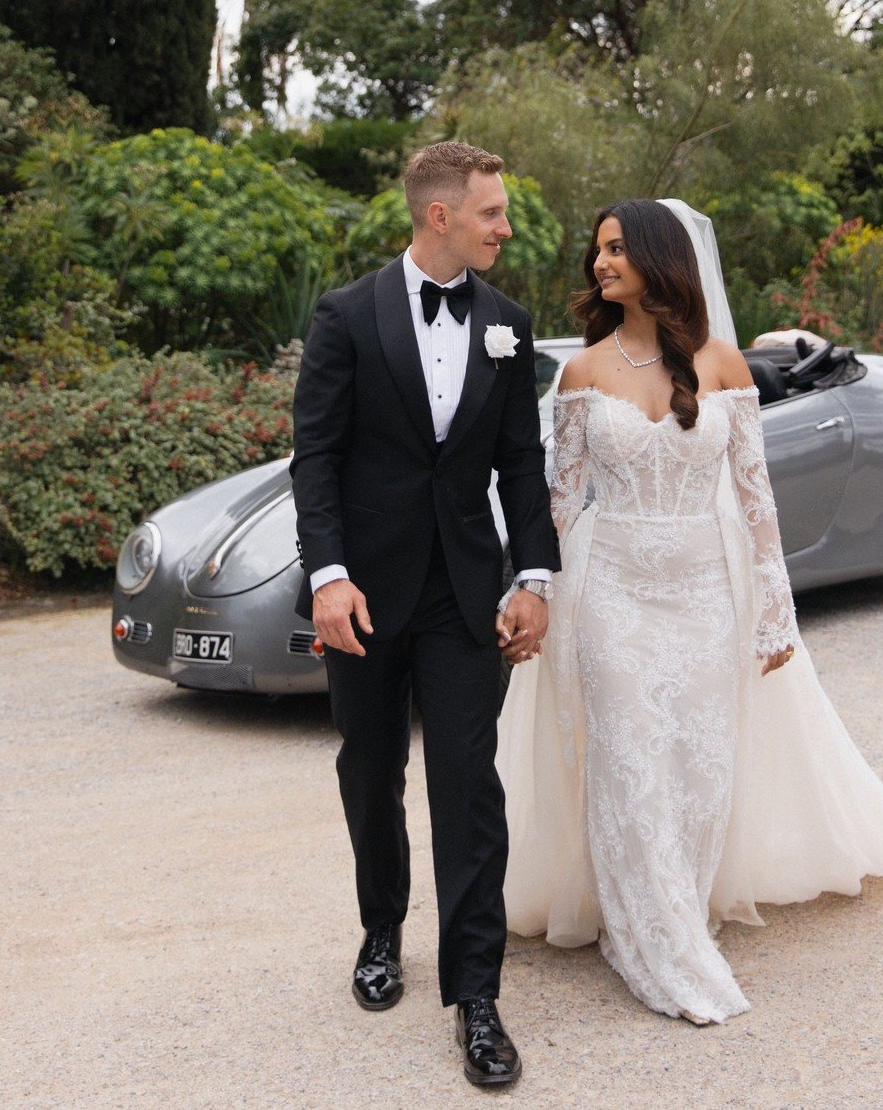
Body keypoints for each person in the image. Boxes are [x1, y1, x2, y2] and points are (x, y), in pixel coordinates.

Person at [497, 197, 883, 1024]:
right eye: (597, 252)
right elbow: (560, 502)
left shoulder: (723, 365)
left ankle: (675, 901)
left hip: (703, 589)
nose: (600, 264)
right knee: (629, 756)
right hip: (608, 587)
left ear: (658, 258)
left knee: (697, 760)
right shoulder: (581, 375)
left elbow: (758, 504)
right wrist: (532, 588)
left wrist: (773, 612)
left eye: (616, 250)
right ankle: (655, 936)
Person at [291, 141, 561, 1087]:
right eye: (492, 212)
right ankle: (380, 929)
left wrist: (534, 577)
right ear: (439, 215)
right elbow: (314, 460)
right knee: (369, 770)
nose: (506, 227)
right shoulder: (345, 316)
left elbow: (522, 465)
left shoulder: (508, 324)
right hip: (362, 592)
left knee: (466, 781)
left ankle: (477, 995)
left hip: (461, 590)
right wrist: (327, 575)